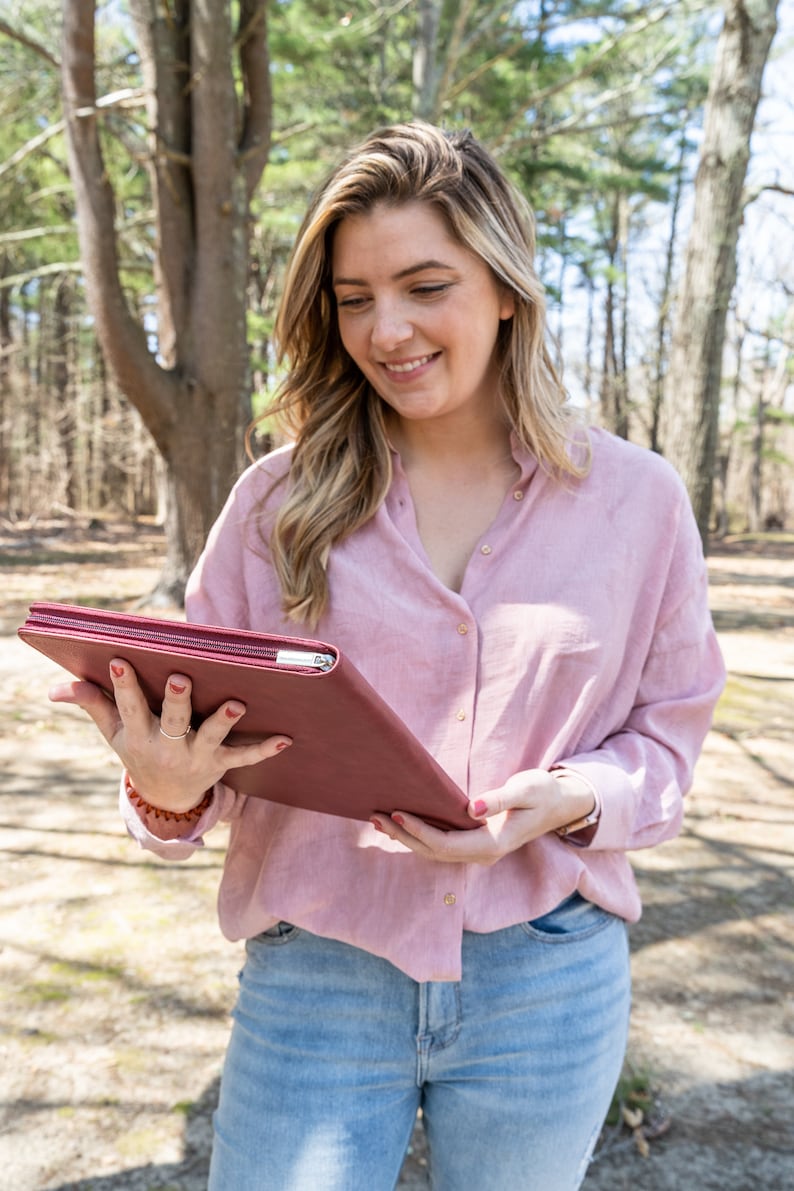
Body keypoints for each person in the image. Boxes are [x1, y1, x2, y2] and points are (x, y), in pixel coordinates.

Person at [50, 121, 725, 1190]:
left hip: (546, 979)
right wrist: (167, 790)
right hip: (318, 973)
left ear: (504, 287)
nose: (387, 329)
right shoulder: (276, 504)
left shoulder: (637, 502)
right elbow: (202, 758)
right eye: (353, 298)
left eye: (422, 285)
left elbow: (666, 742)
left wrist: (562, 798)